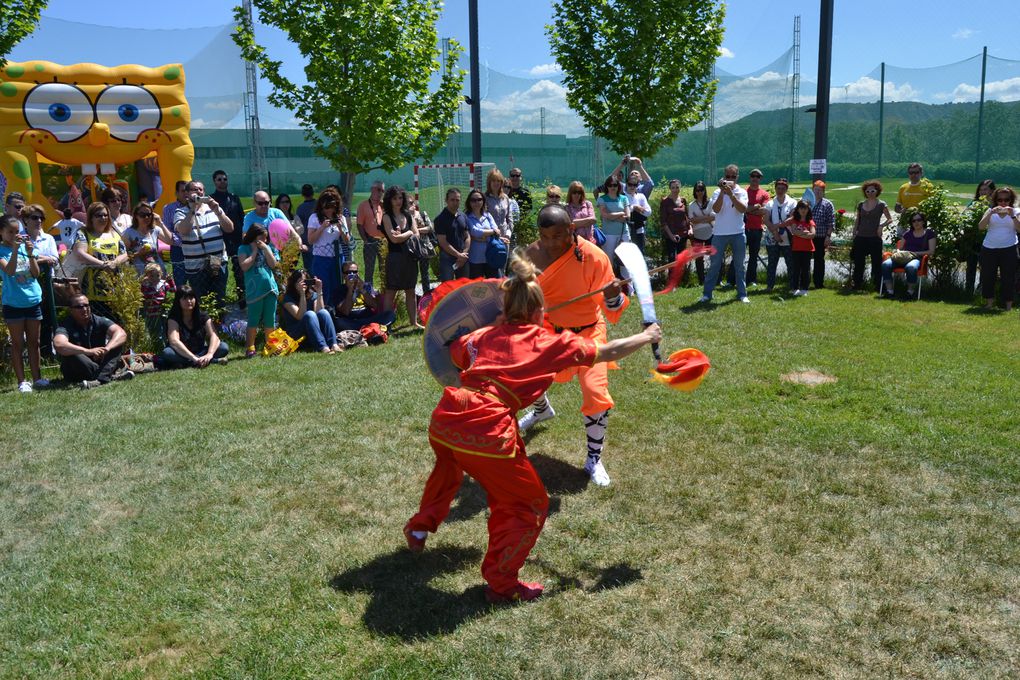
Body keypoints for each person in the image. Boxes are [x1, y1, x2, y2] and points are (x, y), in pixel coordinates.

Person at [404, 251, 661, 602]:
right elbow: (608, 350)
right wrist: (647, 336)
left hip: (447, 418)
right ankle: (502, 582)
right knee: (529, 504)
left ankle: (419, 530)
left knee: (449, 467)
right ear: (540, 312)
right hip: (488, 428)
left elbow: (454, 353)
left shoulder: (478, 338)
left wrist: (493, 327)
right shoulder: (548, 343)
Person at [517, 204, 631, 487]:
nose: (551, 243)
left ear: (571, 230)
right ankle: (542, 409)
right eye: (545, 237)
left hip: (589, 333)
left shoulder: (594, 257)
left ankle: (594, 459)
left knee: (595, 391)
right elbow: (523, 296)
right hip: (549, 331)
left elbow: (612, 307)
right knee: (522, 375)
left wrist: (613, 295)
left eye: (558, 236)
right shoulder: (530, 255)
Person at [0, 215, 46, 392]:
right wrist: (15, 249)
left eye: (17, 232)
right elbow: (10, 271)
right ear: (1, 232)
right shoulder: (2, 251)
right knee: (18, 343)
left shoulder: (26, 248)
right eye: (10, 232)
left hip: (32, 300)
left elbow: (35, 273)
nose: (14, 235)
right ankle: (22, 381)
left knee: (34, 342)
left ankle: (37, 378)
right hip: (13, 303)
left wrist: (30, 253)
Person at [174, 180, 234, 309]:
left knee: (219, 300)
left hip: (217, 263)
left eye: (200, 189)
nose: (198, 192)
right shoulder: (181, 212)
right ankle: (203, 327)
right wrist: (192, 210)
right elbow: (183, 230)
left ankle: (220, 327)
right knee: (200, 302)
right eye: (194, 190)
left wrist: (218, 211)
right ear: (187, 194)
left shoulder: (213, 210)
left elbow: (230, 228)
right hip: (196, 267)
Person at [66, 202, 129, 319]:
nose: (103, 218)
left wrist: (114, 263)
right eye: (98, 215)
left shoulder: (114, 234)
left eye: (105, 215)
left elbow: (124, 254)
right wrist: (103, 264)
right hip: (91, 291)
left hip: (114, 291)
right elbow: (80, 253)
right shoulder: (83, 233)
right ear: (91, 217)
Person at [52, 293, 130, 388]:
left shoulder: (99, 320)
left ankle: (101, 378)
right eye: (79, 307)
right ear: (71, 310)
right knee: (73, 354)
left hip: (98, 363)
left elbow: (121, 333)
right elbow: (59, 344)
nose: (85, 309)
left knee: (116, 345)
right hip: (77, 369)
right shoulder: (65, 325)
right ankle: (108, 376)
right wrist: (88, 352)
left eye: (87, 305)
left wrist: (107, 349)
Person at [699, 165, 750, 303]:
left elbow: (742, 209)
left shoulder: (742, 192)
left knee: (739, 265)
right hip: (719, 234)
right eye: (728, 176)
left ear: (737, 177)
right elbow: (716, 209)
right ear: (724, 177)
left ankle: (742, 294)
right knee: (714, 265)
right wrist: (723, 192)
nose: (730, 179)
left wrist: (732, 194)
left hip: (738, 232)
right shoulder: (717, 192)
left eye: (733, 177)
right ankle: (707, 294)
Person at [156, 284, 229, 369]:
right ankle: (211, 361)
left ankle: (186, 363)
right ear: (178, 301)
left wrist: (209, 354)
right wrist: (193, 358)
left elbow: (214, 336)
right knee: (167, 353)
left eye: (191, 298)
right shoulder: (173, 319)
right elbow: (174, 341)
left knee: (223, 347)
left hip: (201, 351)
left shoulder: (203, 316)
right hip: (181, 353)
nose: (189, 301)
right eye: (185, 298)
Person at [380, 185, 423, 329]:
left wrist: (407, 233)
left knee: (410, 290)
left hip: (410, 258)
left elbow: (416, 234)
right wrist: (409, 233)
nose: (398, 201)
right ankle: (386, 324)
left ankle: (414, 322)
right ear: (389, 200)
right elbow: (394, 240)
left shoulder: (408, 215)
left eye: (400, 198)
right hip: (395, 258)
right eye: (394, 198)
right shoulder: (386, 217)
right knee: (391, 291)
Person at [20, 204, 59, 357]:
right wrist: (43, 259)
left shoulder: (48, 238)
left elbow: (55, 259)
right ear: (25, 220)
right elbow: (22, 261)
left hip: (47, 283)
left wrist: (35, 258)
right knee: (30, 321)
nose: (38, 221)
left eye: (41, 218)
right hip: (26, 284)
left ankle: (47, 354)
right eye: (34, 217)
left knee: (48, 319)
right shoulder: (20, 239)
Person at [238, 224, 280, 357]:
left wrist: (266, 248)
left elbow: (273, 265)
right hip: (255, 290)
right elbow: (244, 266)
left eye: (266, 237)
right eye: (262, 237)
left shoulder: (269, 247)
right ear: (254, 236)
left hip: (270, 289)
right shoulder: (243, 248)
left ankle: (270, 345)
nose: (265, 240)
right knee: (253, 319)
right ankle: (250, 346)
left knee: (270, 319)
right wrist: (255, 251)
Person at [976, 187, 1019, 311]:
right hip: (989, 248)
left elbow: (1019, 229)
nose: (1003, 203)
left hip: (1009, 247)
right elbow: (981, 227)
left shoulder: (1015, 211)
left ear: (1011, 200)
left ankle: (1008, 306)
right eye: (1000, 200)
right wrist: (990, 213)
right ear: (995, 200)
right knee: (988, 276)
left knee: (1008, 277)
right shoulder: (990, 210)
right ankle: (989, 303)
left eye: (1006, 200)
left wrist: (1012, 216)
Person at [280, 269, 343, 354]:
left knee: (324, 312)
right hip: (296, 335)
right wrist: (302, 294)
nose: (303, 284)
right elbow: (300, 316)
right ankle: (323, 347)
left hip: (312, 333)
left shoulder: (312, 294)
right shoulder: (287, 298)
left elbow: (320, 312)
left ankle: (334, 344)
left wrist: (319, 291)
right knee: (309, 314)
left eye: (304, 281)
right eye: (299, 282)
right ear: (294, 283)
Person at [306, 188, 350, 308]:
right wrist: (322, 227)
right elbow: (310, 240)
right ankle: (322, 312)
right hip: (321, 258)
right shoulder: (314, 218)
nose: (329, 211)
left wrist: (341, 228)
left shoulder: (341, 218)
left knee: (336, 287)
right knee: (323, 287)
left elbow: (347, 240)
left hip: (336, 258)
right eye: (326, 208)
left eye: (332, 207)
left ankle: (335, 312)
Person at [210, 170, 247, 306]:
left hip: (236, 241)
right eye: (219, 179)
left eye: (224, 179)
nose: (222, 182)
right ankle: (219, 302)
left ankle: (242, 300)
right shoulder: (211, 200)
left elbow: (242, 218)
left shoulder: (234, 198)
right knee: (216, 272)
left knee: (240, 272)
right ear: (214, 181)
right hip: (218, 242)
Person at [881, 212, 937, 299]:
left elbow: (931, 251)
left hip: (917, 258)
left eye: (919, 220)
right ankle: (889, 292)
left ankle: (909, 293)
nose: (916, 222)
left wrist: (915, 253)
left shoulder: (929, 234)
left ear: (923, 222)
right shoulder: (908, 233)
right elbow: (900, 247)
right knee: (885, 265)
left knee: (911, 267)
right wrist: (898, 252)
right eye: (913, 221)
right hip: (903, 257)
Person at [850, 180, 892, 291]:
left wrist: (881, 226)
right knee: (858, 262)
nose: (870, 193)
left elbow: (889, 219)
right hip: (861, 237)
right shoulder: (861, 205)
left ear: (877, 191)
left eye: (872, 190)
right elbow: (858, 220)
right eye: (867, 191)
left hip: (875, 238)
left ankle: (877, 286)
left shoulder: (881, 204)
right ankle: (857, 284)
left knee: (876, 263)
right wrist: (854, 233)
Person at [335, 260, 395, 331]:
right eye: (348, 272)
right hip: (351, 322)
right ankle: (374, 329)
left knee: (389, 315)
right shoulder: (338, 290)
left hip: (368, 320)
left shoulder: (365, 286)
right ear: (343, 275)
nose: (352, 274)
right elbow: (346, 311)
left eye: (354, 272)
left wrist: (362, 289)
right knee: (339, 323)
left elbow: (374, 305)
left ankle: (370, 329)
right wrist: (350, 290)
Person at [763, 178, 796, 293]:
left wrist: (779, 225)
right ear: (775, 189)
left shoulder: (792, 202)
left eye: (783, 188)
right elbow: (766, 220)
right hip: (772, 238)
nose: (780, 190)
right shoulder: (770, 203)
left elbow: (792, 218)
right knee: (772, 264)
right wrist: (775, 233)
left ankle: (792, 285)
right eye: (778, 188)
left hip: (788, 238)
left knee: (790, 264)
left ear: (786, 189)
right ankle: (769, 286)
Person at [123, 202, 173, 276]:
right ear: (136, 216)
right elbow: (124, 255)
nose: (146, 217)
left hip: (158, 272)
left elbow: (170, 241)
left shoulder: (155, 230)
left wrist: (161, 223)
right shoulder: (129, 232)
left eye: (149, 215)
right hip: (140, 274)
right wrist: (138, 253)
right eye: (142, 215)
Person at [738, 169, 770, 287]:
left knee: (753, 256)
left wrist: (748, 209)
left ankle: (751, 280)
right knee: (738, 255)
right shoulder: (743, 191)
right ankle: (732, 280)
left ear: (760, 179)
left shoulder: (764, 194)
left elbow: (764, 211)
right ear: (750, 177)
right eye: (753, 176)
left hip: (757, 229)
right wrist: (755, 207)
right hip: (742, 228)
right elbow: (739, 208)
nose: (755, 178)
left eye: (757, 176)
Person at [965, 179, 996, 297]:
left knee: (986, 268)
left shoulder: (995, 205)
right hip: (973, 239)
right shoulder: (973, 203)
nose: (982, 192)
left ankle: (981, 292)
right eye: (981, 189)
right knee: (971, 266)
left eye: (985, 189)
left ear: (992, 191)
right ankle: (967, 292)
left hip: (989, 240)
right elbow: (965, 216)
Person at [465, 188, 504, 279]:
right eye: (473, 200)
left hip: (491, 256)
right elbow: (475, 231)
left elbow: (497, 231)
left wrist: (482, 236)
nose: (477, 202)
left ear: (483, 201)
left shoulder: (488, 215)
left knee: (496, 284)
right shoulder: (467, 217)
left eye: (479, 199)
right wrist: (491, 232)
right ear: (469, 202)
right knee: (476, 287)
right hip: (475, 258)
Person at [595, 176, 630, 277]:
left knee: (625, 260)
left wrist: (611, 217)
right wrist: (620, 213)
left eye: (615, 185)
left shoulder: (624, 198)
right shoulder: (602, 199)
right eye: (610, 185)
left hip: (624, 233)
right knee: (608, 260)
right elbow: (604, 215)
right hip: (609, 234)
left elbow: (627, 216)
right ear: (607, 186)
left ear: (618, 186)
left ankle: (629, 288)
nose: (612, 187)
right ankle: (609, 283)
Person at [434, 188, 470, 281]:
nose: (455, 202)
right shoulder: (440, 219)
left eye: (457, 200)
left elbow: (467, 236)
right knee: (447, 288)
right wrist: (458, 255)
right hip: (447, 259)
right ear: (446, 200)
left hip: (463, 257)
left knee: (463, 287)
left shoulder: (463, 216)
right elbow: (443, 242)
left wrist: (464, 254)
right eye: (452, 200)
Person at [356, 180, 386, 287]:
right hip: (370, 240)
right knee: (369, 269)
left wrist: (385, 207)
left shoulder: (384, 206)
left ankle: (384, 290)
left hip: (383, 241)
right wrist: (365, 240)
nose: (380, 193)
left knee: (384, 268)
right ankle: (369, 292)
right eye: (378, 190)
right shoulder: (363, 205)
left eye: (382, 190)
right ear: (372, 190)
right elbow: (359, 224)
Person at [140, 261, 175, 345]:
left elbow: (173, 290)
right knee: (155, 331)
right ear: (147, 276)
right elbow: (141, 294)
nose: (155, 278)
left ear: (161, 274)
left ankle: (166, 344)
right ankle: (157, 346)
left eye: (157, 275)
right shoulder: (147, 285)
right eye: (151, 276)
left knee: (165, 329)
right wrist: (142, 283)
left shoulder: (163, 284)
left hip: (163, 312)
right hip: (151, 313)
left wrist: (170, 280)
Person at [809, 180, 835, 289]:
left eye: (820, 190)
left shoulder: (827, 204)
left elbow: (831, 222)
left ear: (823, 192)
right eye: (816, 190)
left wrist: (828, 237)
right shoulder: (807, 202)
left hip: (820, 237)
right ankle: (804, 281)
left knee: (819, 260)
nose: (818, 192)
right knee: (805, 260)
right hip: (807, 237)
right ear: (812, 190)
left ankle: (819, 283)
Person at [687, 181, 714, 285]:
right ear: (695, 191)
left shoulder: (710, 202)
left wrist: (699, 218)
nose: (700, 192)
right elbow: (692, 220)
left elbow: (713, 216)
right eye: (697, 190)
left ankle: (715, 279)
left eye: (702, 189)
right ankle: (701, 281)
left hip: (710, 231)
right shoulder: (691, 205)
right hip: (697, 233)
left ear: (704, 190)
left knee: (714, 257)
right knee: (699, 258)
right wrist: (705, 218)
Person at [162, 180, 188, 287]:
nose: (186, 193)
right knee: (180, 280)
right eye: (182, 191)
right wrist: (180, 242)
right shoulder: (169, 208)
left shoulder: (196, 206)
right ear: (176, 193)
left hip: (196, 248)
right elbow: (168, 230)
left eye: (188, 190)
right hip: (178, 249)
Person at [658, 179, 689, 266]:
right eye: (673, 188)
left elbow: (686, 217)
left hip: (683, 234)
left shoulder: (683, 200)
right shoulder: (665, 202)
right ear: (670, 189)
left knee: (681, 260)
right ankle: (671, 279)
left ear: (680, 188)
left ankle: (680, 279)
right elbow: (663, 222)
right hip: (670, 235)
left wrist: (690, 229)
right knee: (672, 260)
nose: (675, 190)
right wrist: (671, 236)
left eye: (677, 187)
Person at [624, 174, 652, 254]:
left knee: (640, 252)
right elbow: (625, 211)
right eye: (630, 184)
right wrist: (636, 207)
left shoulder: (641, 196)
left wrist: (632, 208)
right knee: (628, 253)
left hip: (640, 228)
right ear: (626, 184)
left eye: (635, 185)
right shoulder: (623, 196)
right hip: (626, 229)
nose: (632, 187)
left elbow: (648, 212)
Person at [484, 169, 514, 243]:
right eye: (493, 181)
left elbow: (509, 218)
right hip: (491, 238)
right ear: (489, 182)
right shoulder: (484, 198)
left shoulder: (505, 197)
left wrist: (508, 234)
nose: (496, 183)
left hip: (505, 237)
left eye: (498, 181)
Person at [296, 184, 318, 270]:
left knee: (309, 268)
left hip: (306, 241)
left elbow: (298, 225)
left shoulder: (300, 208)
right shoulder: (318, 205)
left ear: (302, 194)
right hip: (318, 239)